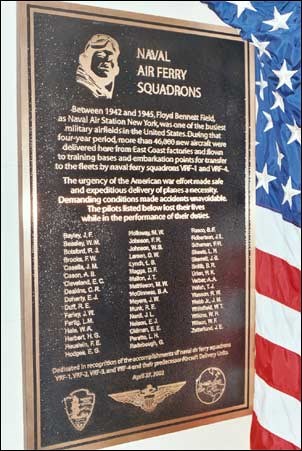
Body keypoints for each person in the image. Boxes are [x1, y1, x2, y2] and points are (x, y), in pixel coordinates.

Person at [76, 34, 120, 98]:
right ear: (85, 59)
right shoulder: (81, 87)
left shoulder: (105, 91)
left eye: (111, 58)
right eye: (101, 56)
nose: (107, 60)